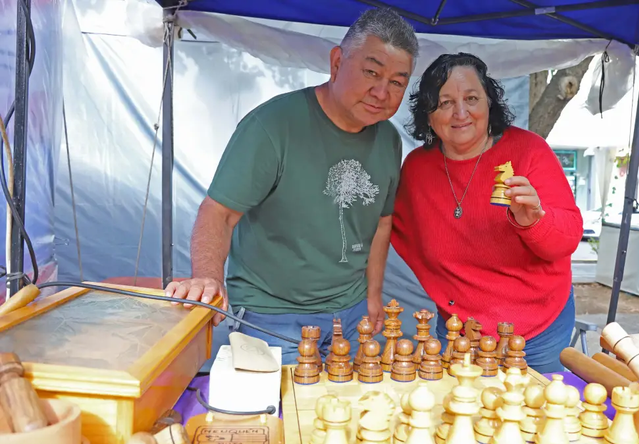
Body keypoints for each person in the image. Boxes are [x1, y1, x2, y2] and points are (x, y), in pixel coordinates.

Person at [165, 8, 419, 365]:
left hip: (350, 313)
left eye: (397, 82)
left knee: (343, 413)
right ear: (336, 62)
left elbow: (380, 222)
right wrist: (208, 278)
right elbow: (219, 212)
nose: (381, 91)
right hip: (273, 316)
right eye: (371, 72)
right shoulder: (272, 127)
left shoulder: (389, 140)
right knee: (279, 414)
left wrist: (373, 296)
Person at [390, 53, 583, 373]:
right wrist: (448, 292)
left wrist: (534, 220)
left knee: (533, 416)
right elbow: (391, 227)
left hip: (537, 330)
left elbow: (566, 241)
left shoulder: (529, 151)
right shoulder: (417, 169)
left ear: (489, 103)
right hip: (459, 328)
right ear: (428, 113)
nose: (460, 112)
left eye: (471, 98)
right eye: (445, 102)